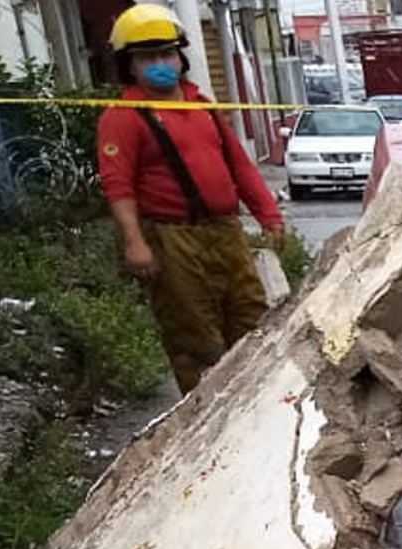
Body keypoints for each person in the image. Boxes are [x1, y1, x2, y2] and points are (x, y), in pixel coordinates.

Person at [96, 3, 285, 392]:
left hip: (226, 233)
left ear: (180, 57)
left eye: (166, 53)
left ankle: (261, 410)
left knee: (253, 324)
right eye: (147, 57)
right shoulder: (123, 116)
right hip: (173, 240)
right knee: (196, 341)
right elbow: (119, 186)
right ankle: (207, 425)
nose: (160, 63)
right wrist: (135, 243)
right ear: (129, 66)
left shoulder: (202, 106)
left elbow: (240, 168)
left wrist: (269, 215)